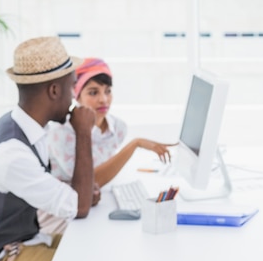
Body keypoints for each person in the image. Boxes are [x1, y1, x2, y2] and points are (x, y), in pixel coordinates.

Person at [0, 36, 97, 261]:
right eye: (72, 87)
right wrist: (83, 133)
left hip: (27, 241)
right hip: (1, 259)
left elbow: (75, 199)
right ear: (55, 90)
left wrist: (81, 193)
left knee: (99, 249)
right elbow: (79, 208)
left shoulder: (28, 128)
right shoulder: (11, 154)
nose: (74, 98)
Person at [47, 57, 174, 188]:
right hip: (66, 203)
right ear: (77, 96)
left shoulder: (119, 128)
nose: (103, 99)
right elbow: (88, 181)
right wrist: (136, 144)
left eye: (108, 91)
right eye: (93, 92)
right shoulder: (60, 133)